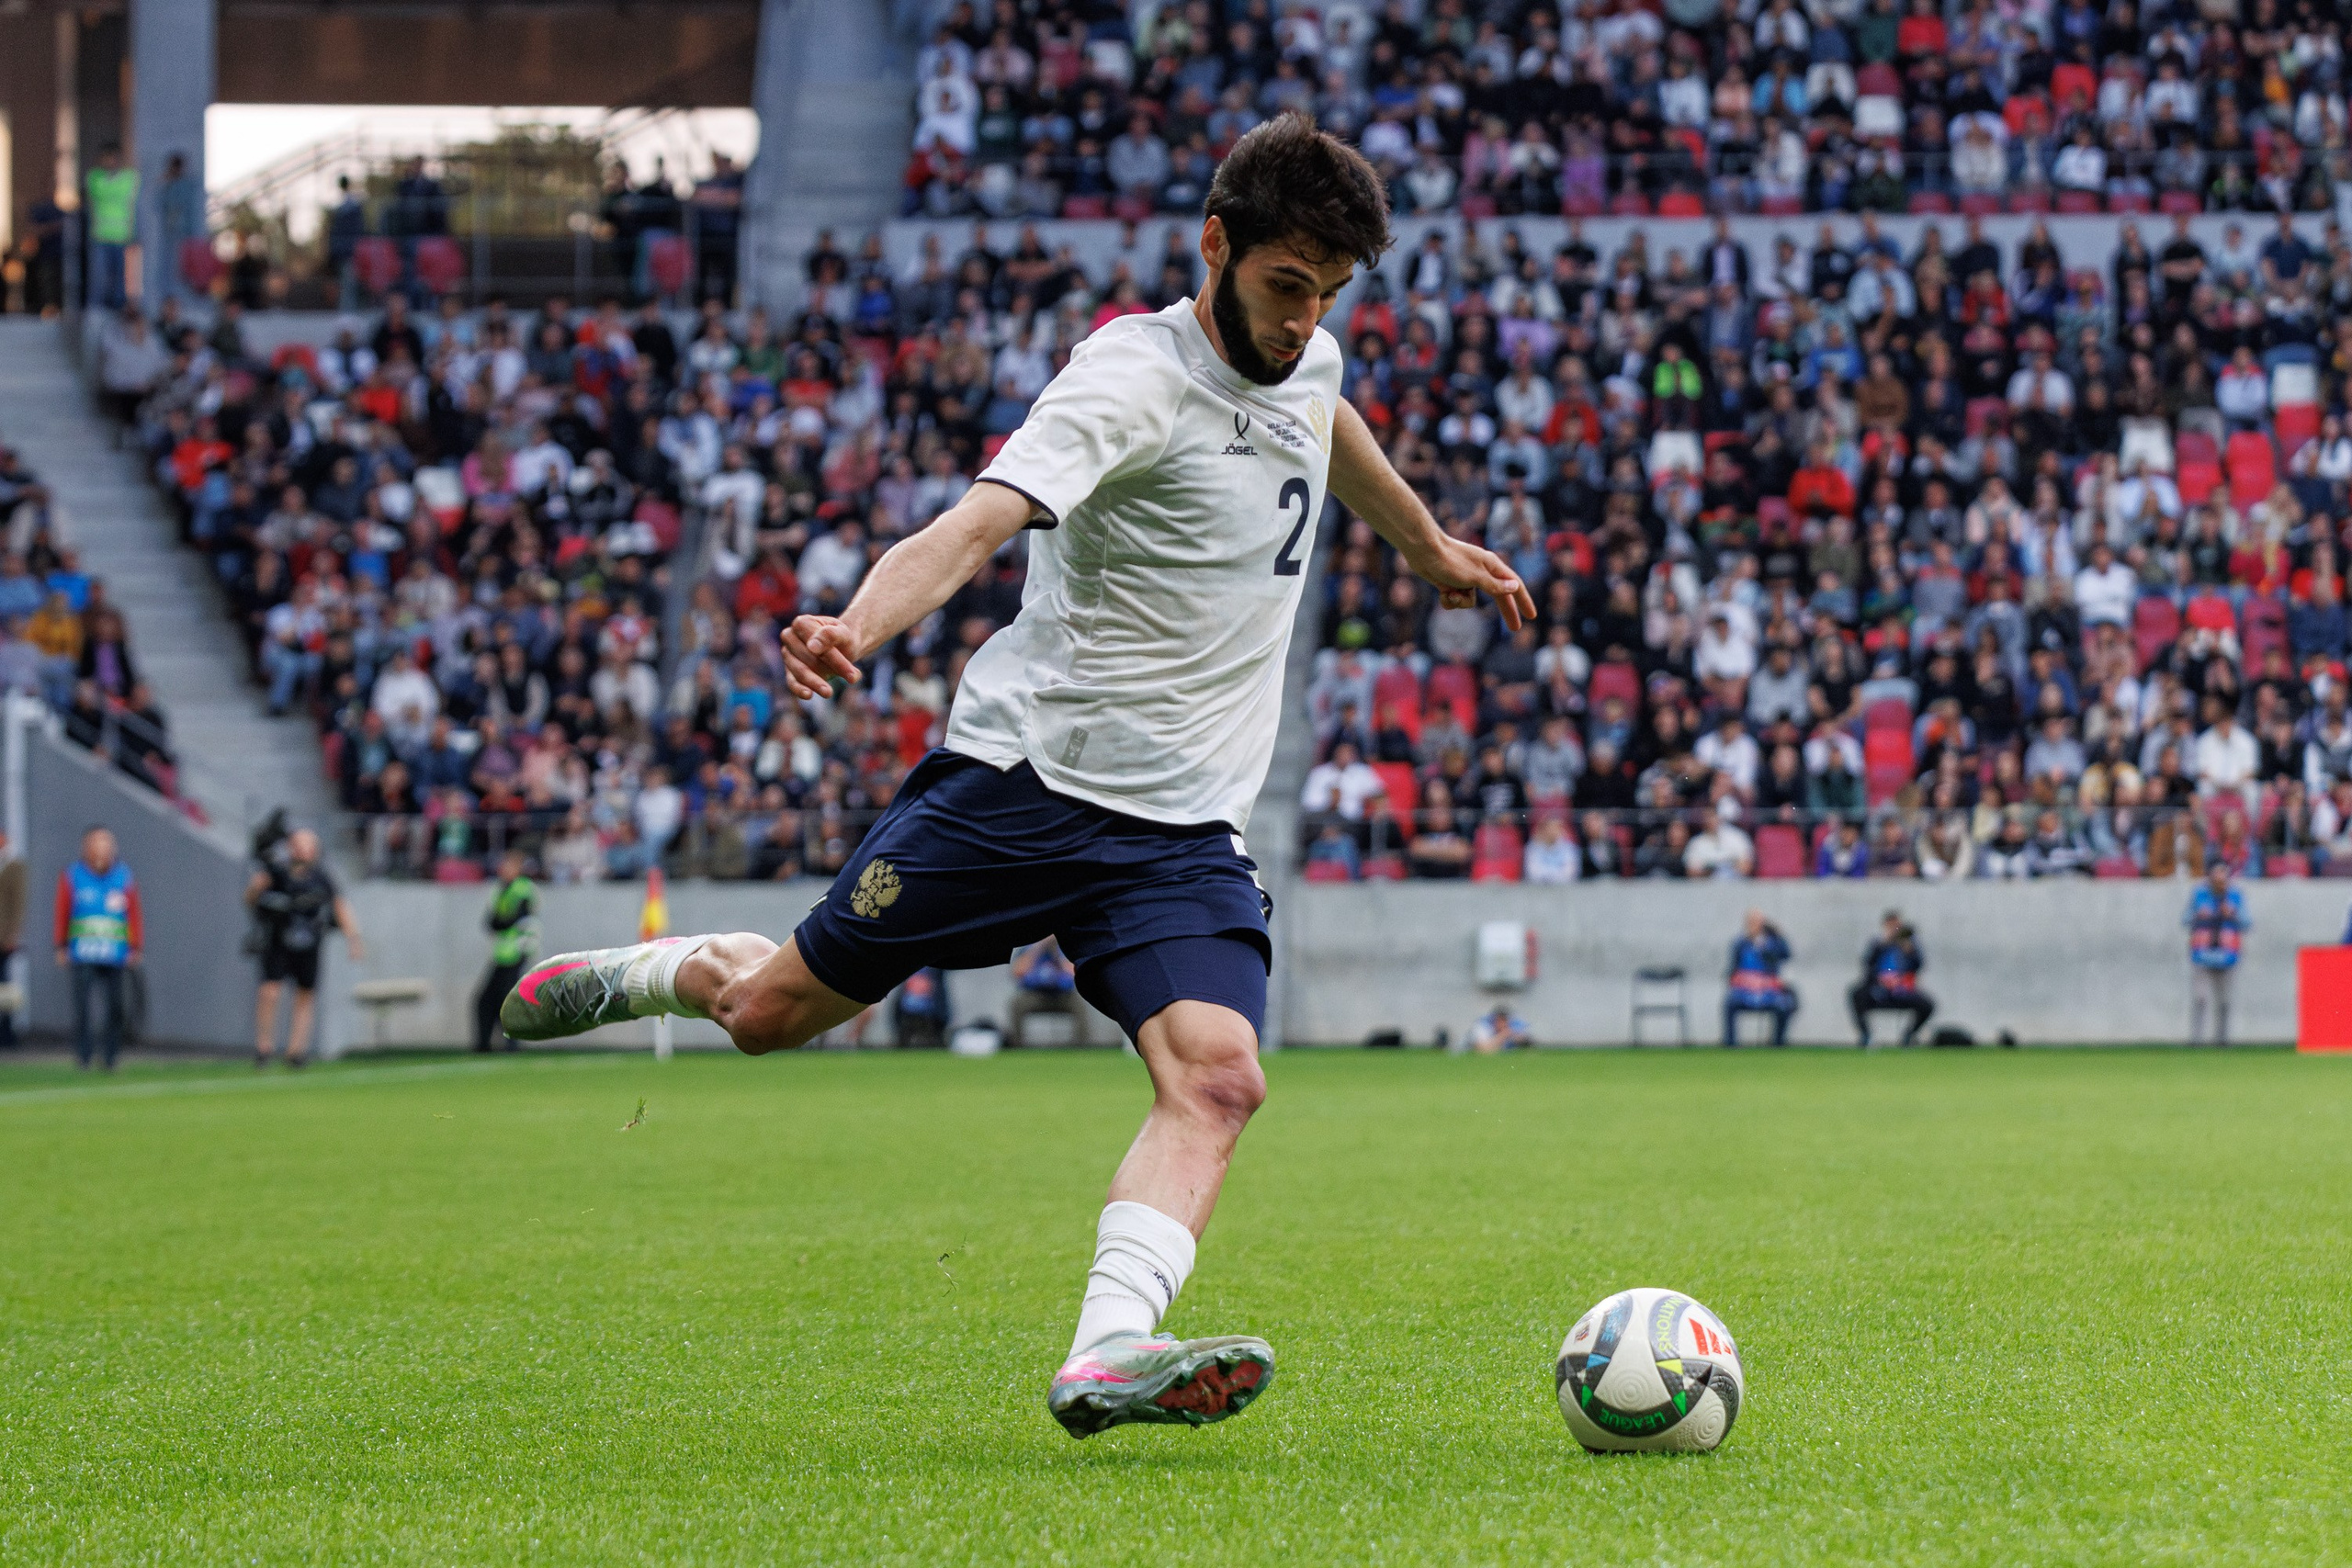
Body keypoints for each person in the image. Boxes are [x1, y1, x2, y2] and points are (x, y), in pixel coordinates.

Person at [502, 116, 1530, 1438]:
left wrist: (1431, 544)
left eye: (1330, 292)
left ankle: (1109, 1350)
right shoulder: (1126, 377)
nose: (1306, 318)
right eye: (1285, 284)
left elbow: (1325, 417)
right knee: (769, 1015)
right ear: (1213, 246)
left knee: (1220, 1074)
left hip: (1181, 826)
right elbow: (977, 520)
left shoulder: (1309, 352)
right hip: (1031, 780)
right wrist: (854, 629)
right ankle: (653, 969)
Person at [247, 829, 365, 1067]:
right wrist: (256, 888)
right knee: (270, 991)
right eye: (299, 844)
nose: (303, 849)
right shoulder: (276, 874)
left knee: (305, 995)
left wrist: (353, 938)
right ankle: (264, 1047)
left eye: (309, 845)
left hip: (309, 943)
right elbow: (250, 901)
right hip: (278, 940)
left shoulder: (321, 879)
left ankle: (296, 1051)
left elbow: (340, 905)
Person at [53, 826, 140, 1070]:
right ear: (87, 847)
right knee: (82, 1007)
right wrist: (60, 945)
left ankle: (110, 1056)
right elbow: (63, 911)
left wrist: (135, 946)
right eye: (98, 843)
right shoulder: (73, 875)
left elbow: (134, 914)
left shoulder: (123, 876)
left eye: (108, 843)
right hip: (83, 952)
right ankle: (84, 1056)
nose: (104, 848)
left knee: (116, 1007)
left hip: (115, 953)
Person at [475, 851, 538, 1053]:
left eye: (508, 866)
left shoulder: (523, 889)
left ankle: (512, 1045)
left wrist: (501, 922)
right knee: (485, 1001)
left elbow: (512, 919)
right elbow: (491, 922)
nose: (504, 869)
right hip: (501, 954)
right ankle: (485, 1045)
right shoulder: (500, 889)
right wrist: (501, 922)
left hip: (518, 952)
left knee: (507, 1000)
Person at [1849, 909, 1934, 1047]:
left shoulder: (1908, 945)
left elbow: (1918, 965)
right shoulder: (1878, 944)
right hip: (1879, 989)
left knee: (1927, 1004)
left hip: (1902, 990)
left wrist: (1909, 949)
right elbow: (1867, 965)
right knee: (1856, 994)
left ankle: (1909, 1035)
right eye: (1891, 925)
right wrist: (1884, 944)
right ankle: (1866, 1035)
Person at [2186, 863, 2247, 1046]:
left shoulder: (2235, 896)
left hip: (2226, 952)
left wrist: (2232, 914)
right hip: (2203, 953)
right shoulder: (2199, 895)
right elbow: (2185, 919)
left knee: (2225, 1000)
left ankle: (2222, 1039)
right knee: (2200, 997)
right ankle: (2196, 1039)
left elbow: (2247, 922)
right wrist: (2199, 914)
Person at [1724, 909, 1798, 1046]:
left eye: (1758, 922)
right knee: (1729, 1003)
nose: (1754, 925)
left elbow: (1786, 955)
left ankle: (1778, 1043)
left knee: (1784, 1004)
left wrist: (1778, 936)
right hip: (1744, 991)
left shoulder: (1772, 943)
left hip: (1767, 990)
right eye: (1751, 922)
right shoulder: (1740, 944)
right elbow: (1732, 970)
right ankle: (1730, 1043)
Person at [84, 145, 139, 310]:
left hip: (122, 236)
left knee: (121, 277)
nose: (109, 162)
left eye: (112, 158)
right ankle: (97, 308)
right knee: (99, 276)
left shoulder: (129, 177)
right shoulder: (95, 177)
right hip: (100, 235)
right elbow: (97, 193)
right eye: (106, 158)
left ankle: (119, 307)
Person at [1008, 935, 1089, 1047]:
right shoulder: (1029, 949)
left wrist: (1056, 955)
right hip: (1036, 995)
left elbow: (1074, 973)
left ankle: (1080, 1047)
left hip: (1063, 996)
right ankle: (1017, 1045)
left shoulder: (1066, 948)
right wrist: (1038, 948)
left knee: (1080, 1006)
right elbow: (1018, 972)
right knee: (1016, 1004)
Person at [0, 827, 25, 1047]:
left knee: (5, 986)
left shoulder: (14, 865)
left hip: (3, 937)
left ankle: (7, 1032)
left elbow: (17, 904)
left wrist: (12, 934)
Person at [1467, 1003, 1532, 1053]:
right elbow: (1481, 1050)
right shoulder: (1482, 1026)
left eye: (1505, 1020)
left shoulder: (1514, 1024)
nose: (1503, 1023)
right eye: (1500, 1020)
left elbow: (1527, 1042)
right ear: (1494, 1019)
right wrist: (1503, 1035)